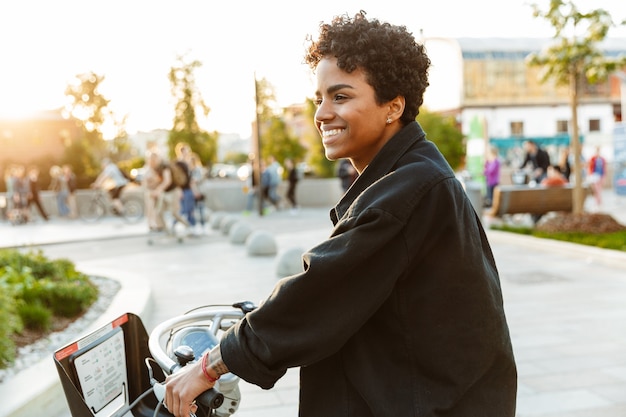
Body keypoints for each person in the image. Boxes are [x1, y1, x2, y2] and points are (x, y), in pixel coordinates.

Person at [164, 11, 516, 417]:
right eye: (319, 98)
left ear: (393, 106)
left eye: (341, 96)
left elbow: (324, 288)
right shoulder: (413, 176)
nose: (322, 113)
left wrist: (210, 366)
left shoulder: (408, 191)